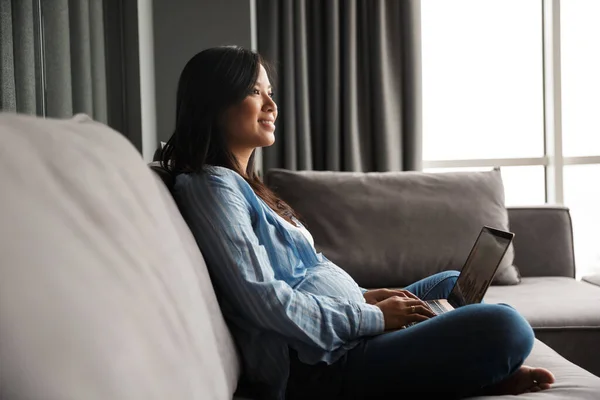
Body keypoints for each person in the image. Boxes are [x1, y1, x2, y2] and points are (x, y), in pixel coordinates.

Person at [160, 46, 555, 400]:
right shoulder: (212, 188)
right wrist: (378, 317)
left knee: (450, 284)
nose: (271, 105)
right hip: (322, 363)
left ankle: (470, 369)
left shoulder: (244, 185)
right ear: (213, 102)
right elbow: (266, 302)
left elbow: (302, 274)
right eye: (254, 91)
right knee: (506, 326)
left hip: (343, 329)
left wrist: (367, 295)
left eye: (270, 92)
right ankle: (478, 369)